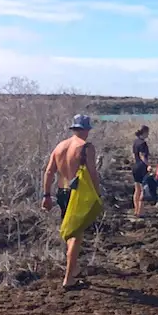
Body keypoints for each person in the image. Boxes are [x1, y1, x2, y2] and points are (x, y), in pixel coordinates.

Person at [41, 114, 101, 290]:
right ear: (86, 129)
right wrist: (97, 194)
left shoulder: (60, 147)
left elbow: (49, 172)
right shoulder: (85, 148)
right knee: (76, 233)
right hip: (77, 194)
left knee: (69, 230)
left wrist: (46, 195)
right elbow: (92, 172)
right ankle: (69, 278)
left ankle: (73, 271)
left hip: (61, 192)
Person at [132, 125, 151, 218]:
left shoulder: (135, 142)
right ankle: (141, 211)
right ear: (144, 132)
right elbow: (142, 156)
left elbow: (134, 155)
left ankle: (136, 210)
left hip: (135, 166)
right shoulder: (143, 143)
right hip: (141, 167)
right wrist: (148, 165)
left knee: (137, 189)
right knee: (143, 189)